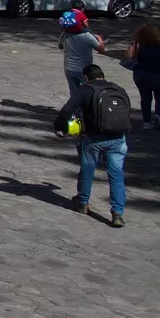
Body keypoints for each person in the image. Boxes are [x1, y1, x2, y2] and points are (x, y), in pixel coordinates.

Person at [54, 62, 133, 227]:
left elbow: (67, 110)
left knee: (87, 169)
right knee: (116, 175)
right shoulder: (118, 90)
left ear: (85, 78)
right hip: (118, 137)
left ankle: (82, 202)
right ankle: (117, 213)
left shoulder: (85, 90)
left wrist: (60, 127)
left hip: (93, 138)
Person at [121, 23, 160, 129]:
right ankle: (158, 114)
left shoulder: (137, 45)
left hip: (141, 76)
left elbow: (127, 58)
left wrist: (133, 46)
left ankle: (146, 122)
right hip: (158, 75)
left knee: (145, 98)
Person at [58, 10, 104, 105]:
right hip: (84, 70)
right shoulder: (87, 36)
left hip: (69, 68)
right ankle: (84, 112)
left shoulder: (64, 35)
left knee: (74, 92)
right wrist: (99, 39)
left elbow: (60, 46)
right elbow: (101, 49)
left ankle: (74, 111)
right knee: (86, 92)